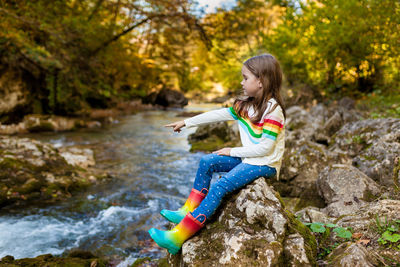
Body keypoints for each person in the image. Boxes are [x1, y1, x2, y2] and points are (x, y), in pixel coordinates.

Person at [148, 54, 286, 255]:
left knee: (220, 186)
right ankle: (187, 211)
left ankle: (177, 237)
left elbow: (265, 149)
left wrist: (232, 150)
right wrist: (186, 123)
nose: (241, 82)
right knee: (207, 161)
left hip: (265, 164)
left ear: (261, 81)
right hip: (249, 158)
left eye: (245, 77)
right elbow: (217, 115)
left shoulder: (273, 111)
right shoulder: (246, 105)